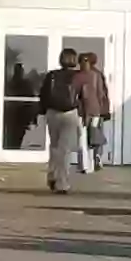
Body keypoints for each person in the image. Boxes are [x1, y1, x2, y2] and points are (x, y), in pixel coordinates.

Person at [39, 53, 85, 192]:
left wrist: (43, 110)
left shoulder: (51, 75)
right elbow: (84, 96)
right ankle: (62, 183)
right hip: (70, 113)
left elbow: (43, 94)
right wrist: (85, 114)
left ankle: (52, 174)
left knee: (54, 146)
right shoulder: (79, 76)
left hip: (52, 113)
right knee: (64, 149)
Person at [73, 50, 113, 173]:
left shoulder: (77, 76)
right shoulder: (97, 75)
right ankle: (95, 159)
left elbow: (75, 94)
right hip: (96, 110)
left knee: (83, 137)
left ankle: (85, 164)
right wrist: (104, 110)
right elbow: (102, 94)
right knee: (94, 135)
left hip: (83, 110)